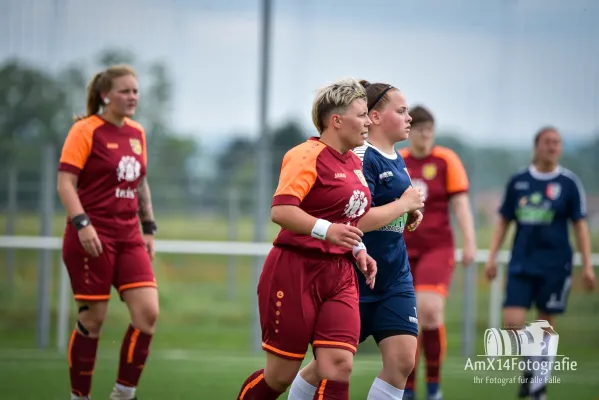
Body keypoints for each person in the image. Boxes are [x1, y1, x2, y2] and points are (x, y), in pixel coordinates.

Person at [235, 78, 378, 400]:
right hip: (295, 270)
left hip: (340, 275)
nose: (369, 121)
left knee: (339, 364)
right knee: (280, 376)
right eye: (362, 114)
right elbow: (282, 211)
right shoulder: (306, 155)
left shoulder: (354, 162)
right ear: (336, 120)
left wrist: (358, 249)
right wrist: (328, 231)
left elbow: (347, 218)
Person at [287, 80, 426, 400]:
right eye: (401, 111)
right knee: (327, 366)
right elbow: (353, 220)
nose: (409, 118)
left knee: (403, 360)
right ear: (374, 117)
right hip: (354, 277)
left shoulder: (396, 157)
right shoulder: (362, 158)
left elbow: (391, 207)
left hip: (394, 277)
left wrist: (408, 214)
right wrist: (402, 206)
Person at [57, 65, 159, 400]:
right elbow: (65, 183)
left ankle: (123, 393)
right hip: (92, 236)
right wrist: (81, 223)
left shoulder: (137, 132)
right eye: (124, 91)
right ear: (105, 95)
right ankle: (79, 395)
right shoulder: (86, 130)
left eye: (135, 91)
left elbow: (140, 183)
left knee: (148, 313)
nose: (132, 97)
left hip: (129, 236)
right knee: (95, 319)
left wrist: (148, 227)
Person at [485, 126, 595, 399]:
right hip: (522, 262)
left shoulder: (569, 184)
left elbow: (580, 226)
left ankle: (538, 386)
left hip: (556, 265)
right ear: (536, 146)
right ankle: (533, 372)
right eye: (547, 142)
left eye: (557, 142)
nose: (553, 147)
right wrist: (491, 256)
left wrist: (588, 266)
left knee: (544, 325)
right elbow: (503, 221)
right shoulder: (519, 181)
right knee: (513, 322)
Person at [398, 106, 476, 400]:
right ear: (409, 131)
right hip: (402, 249)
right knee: (407, 319)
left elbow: (460, 205)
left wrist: (469, 241)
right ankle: (407, 388)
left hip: (437, 247)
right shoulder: (399, 161)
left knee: (429, 311)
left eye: (429, 129)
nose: (425, 134)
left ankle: (433, 386)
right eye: (419, 129)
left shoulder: (446, 160)